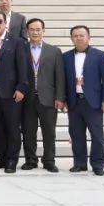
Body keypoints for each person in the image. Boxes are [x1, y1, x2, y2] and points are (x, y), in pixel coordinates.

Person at [0, 10, 28, 173]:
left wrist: (21, 87)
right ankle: (1, 158)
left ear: (5, 23)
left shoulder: (16, 42)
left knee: (12, 127)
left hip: (11, 92)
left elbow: (22, 66)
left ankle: (12, 160)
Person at [64, 25, 104, 175]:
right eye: (75, 36)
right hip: (74, 101)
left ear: (89, 37)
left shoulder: (100, 55)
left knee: (97, 135)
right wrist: (63, 98)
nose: (78, 38)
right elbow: (63, 80)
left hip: (93, 102)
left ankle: (98, 164)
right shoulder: (65, 56)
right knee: (76, 134)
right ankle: (80, 163)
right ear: (71, 38)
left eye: (82, 35)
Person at [21, 18, 65, 173]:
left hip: (48, 98)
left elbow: (60, 76)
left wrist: (60, 97)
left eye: (38, 29)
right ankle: (30, 160)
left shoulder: (54, 51)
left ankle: (49, 161)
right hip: (27, 98)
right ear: (27, 31)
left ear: (43, 31)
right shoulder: (21, 49)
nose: (35, 32)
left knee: (49, 132)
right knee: (28, 132)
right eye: (32, 29)